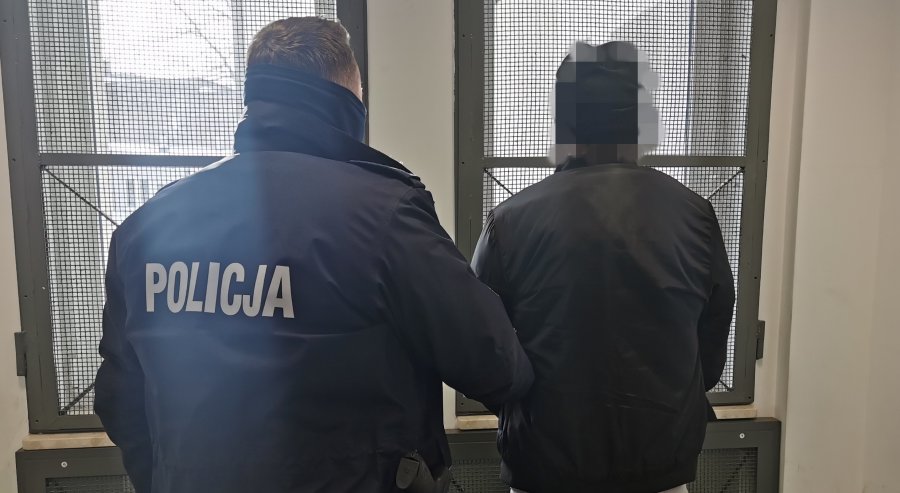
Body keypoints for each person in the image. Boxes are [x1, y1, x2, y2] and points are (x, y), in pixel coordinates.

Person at [95, 17, 533, 493]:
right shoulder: (383, 215)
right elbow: (494, 365)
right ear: (346, 95)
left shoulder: (144, 229)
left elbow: (121, 401)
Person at [472, 41, 735, 493]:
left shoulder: (510, 222)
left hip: (545, 465)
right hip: (661, 464)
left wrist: (522, 408)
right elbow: (711, 347)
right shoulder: (695, 216)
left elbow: (481, 349)